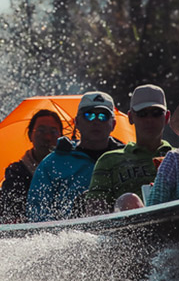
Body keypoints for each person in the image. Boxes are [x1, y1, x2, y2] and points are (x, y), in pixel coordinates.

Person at [27, 91, 124, 222]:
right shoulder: (53, 163)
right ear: (77, 122)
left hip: (122, 228)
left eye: (103, 116)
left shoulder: (127, 158)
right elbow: (37, 210)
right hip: (72, 233)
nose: (95, 121)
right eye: (88, 115)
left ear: (113, 124)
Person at [85, 84, 174, 213]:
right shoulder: (109, 160)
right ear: (131, 117)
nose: (149, 120)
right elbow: (95, 211)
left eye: (156, 113)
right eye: (143, 114)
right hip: (129, 229)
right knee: (128, 200)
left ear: (166, 117)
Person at [0, 109, 63, 222]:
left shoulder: (70, 168)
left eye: (53, 131)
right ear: (30, 135)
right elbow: (12, 208)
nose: (47, 137)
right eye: (41, 131)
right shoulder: (17, 172)